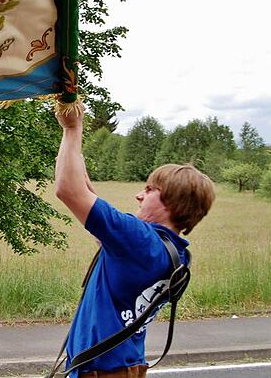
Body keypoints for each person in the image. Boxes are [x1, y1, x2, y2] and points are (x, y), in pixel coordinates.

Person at [54, 109, 215, 378]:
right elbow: (93, 210)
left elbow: (67, 189)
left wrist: (72, 129)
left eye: (150, 190)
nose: (139, 195)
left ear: (173, 203)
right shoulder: (174, 252)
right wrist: (73, 148)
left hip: (102, 372)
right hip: (125, 367)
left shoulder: (139, 240)